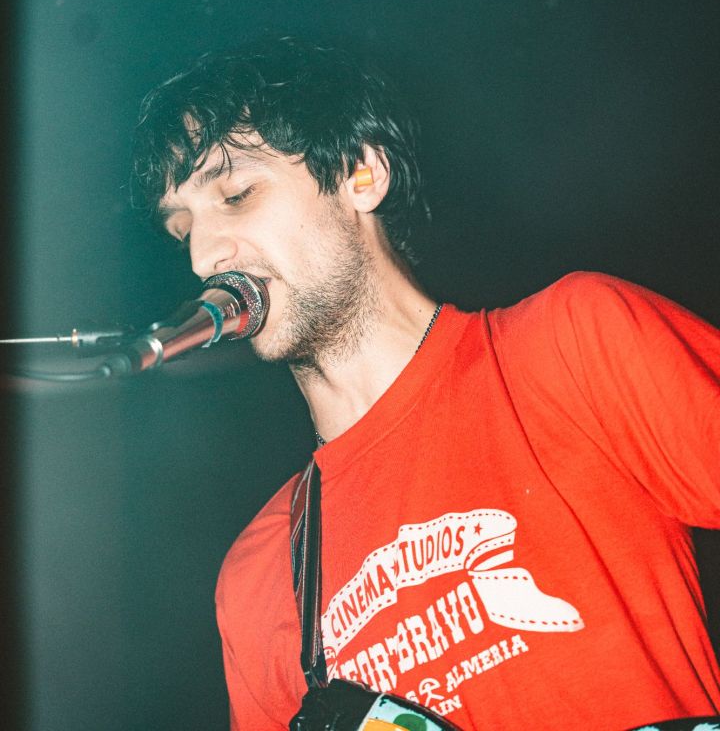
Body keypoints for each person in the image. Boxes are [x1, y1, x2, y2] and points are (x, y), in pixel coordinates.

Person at [131, 36, 720, 731]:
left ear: (361, 173)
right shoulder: (258, 575)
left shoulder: (573, 342)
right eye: (183, 230)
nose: (205, 256)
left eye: (236, 194)